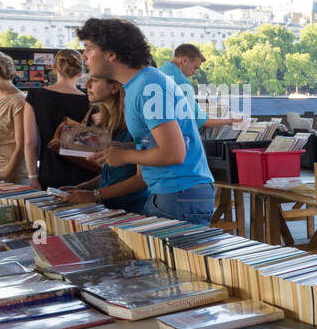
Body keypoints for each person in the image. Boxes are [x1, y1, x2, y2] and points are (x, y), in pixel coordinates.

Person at [77, 18, 216, 225]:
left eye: (88, 48)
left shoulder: (148, 87)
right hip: (173, 192)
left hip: (178, 192)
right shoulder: (142, 84)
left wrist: (124, 156)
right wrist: (121, 147)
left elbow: (174, 153)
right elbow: (159, 144)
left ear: (111, 54)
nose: (84, 56)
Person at [54, 77, 148, 213]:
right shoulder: (110, 121)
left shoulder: (135, 122)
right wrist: (83, 188)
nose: (86, 84)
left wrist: (94, 195)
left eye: (94, 80)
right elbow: (113, 174)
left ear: (114, 87)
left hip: (131, 211)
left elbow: (142, 179)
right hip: (110, 208)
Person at [24, 50, 91, 190]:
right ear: (80, 73)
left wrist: (32, 177)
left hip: (49, 172)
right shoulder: (89, 101)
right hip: (84, 175)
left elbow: (30, 142)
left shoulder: (35, 96)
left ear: (54, 68)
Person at [0, 49, 29, 183]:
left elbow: (22, 147)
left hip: (11, 180)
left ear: (0, 67)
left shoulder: (19, 101)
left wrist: (4, 180)